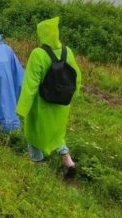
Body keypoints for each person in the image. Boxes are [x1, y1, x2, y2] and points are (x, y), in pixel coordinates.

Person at [16, 17, 82, 178]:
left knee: (35, 134)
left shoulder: (38, 54)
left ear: (42, 34)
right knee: (57, 133)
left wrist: (22, 109)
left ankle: (37, 168)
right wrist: (74, 94)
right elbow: (77, 77)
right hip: (62, 104)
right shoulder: (68, 51)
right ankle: (67, 160)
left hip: (42, 104)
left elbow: (30, 85)